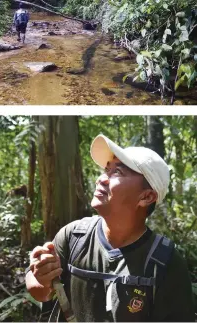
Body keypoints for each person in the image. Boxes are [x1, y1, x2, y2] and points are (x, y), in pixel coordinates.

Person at [26, 134, 195, 322]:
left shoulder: (165, 262)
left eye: (117, 172)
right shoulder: (74, 236)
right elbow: (40, 293)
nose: (101, 179)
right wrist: (41, 276)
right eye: (106, 169)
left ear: (146, 197)